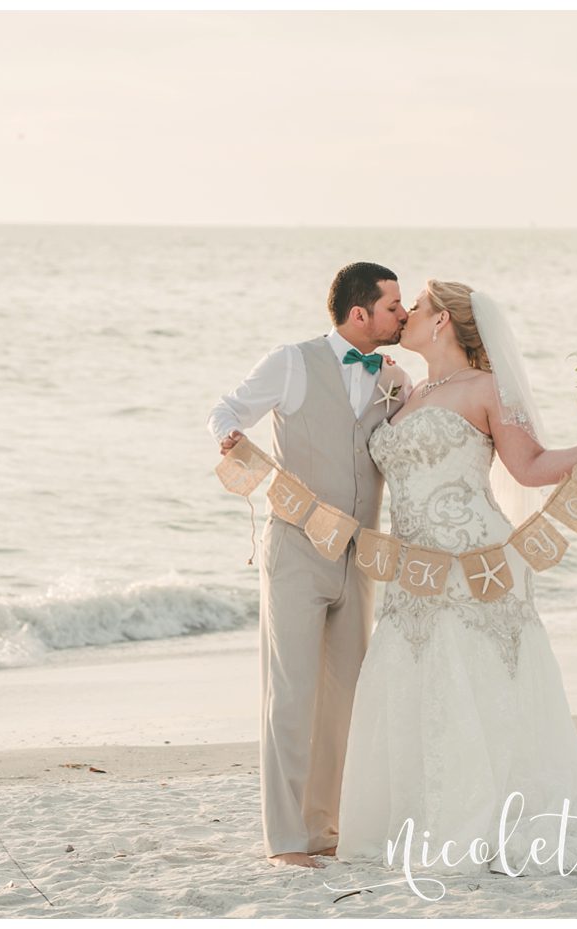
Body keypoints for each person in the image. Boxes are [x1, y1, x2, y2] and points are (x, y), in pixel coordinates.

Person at [336, 280, 577, 874]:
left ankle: (491, 817)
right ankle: (418, 818)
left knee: (478, 680)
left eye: (419, 308)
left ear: (441, 324)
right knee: (418, 681)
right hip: (412, 570)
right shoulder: (402, 392)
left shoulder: (486, 388)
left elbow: (530, 465)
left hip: (474, 562)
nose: (405, 314)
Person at [207, 262, 411, 868]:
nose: (403, 315)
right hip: (296, 549)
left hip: (360, 555)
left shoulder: (395, 381)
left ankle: (326, 829)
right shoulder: (291, 363)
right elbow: (229, 407)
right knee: (290, 696)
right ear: (360, 314)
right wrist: (228, 437)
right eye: (394, 306)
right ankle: (287, 840)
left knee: (344, 698)